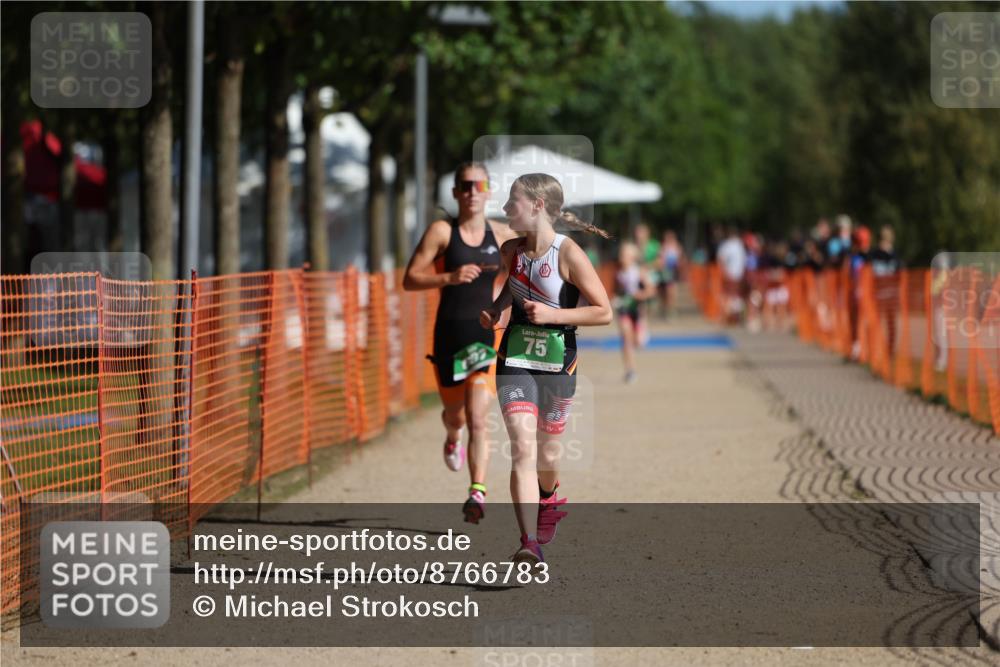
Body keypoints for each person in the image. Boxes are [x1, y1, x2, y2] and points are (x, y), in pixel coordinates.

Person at [479, 173, 613, 565]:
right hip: (515, 359)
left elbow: (603, 311)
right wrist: (496, 311)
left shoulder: (568, 253)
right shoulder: (511, 250)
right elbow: (513, 290)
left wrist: (554, 316)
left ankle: (549, 496)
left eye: (513, 201)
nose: (507, 208)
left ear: (537, 206)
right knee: (522, 447)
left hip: (558, 363)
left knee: (547, 453)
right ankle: (528, 542)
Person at [403, 161, 518, 524]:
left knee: (478, 417)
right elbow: (410, 279)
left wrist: (503, 310)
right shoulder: (442, 232)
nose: (471, 192)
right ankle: (452, 435)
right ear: (455, 192)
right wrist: (449, 278)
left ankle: (477, 492)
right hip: (449, 336)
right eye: (465, 186)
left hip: (484, 337)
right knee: (456, 416)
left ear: (488, 191)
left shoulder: (501, 235)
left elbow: (523, 271)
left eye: (478, 185)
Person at [615, 241, 656, 383]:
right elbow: (616, 292)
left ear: (632, 257)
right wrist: (617, 299)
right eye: (621, 254)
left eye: (625, 255)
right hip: (624, 310)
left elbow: (651, 290)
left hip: (637, 310)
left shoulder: (639, 272)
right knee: (626, 339)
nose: (622, 257)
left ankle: (642, 332)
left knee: (638, 342)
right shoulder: (618, 273)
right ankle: (630, 370)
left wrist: (639, 295)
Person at [716, 227, 747, 325]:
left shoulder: (736, 245)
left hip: (735, 275)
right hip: (732, 274)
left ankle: (733, 317)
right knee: (731, 296)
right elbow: (721, 259)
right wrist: (725, 272)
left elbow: (721, 259)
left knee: (733, 296)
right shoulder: (732, 245)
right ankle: (728, 317)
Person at [658, 230, 684, 319]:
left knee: (671, 292)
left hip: (673, 272)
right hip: (665, 272)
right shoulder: (663, 247)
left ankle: (671, 310)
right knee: (664, 292)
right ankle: (665, 308)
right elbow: (660, 259)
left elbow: (680, 259)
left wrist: (679, 267)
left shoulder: (677, 247)